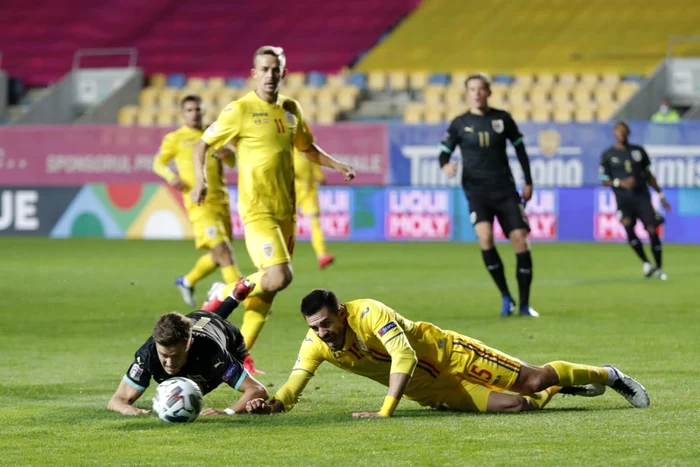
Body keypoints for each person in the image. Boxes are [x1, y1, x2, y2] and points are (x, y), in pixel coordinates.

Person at [190, 45, 355, 373]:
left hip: (286, 212)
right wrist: (199, 180)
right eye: (263, 69)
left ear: (283, 72)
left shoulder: (291, 109)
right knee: (279, 275)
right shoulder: (239, 110)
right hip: (257, 210)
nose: (269, 75)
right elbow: (202, 144)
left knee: (268, 289)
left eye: (275, 69)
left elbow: (306, 147)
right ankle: (224, 290)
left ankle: (238, 356)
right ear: (254, 74)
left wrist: (336, 164)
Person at [244, 289, 650, 418]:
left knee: (533, 379)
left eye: (326, 323)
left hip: (451, 355)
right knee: (517, 407)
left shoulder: (369, 313)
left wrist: (384, 411)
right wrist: (274, 405)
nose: (321, 333)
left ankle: (609, 375)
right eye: (314, 327)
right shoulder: (316, 345)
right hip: (432, 391)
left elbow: (402, 357)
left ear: (342, 313)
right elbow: (295, 384)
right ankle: (560, 389)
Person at [438, 73, 537, 317]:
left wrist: (529, 180)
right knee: (485, 239)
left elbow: (520, 149)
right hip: (476, 192)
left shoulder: (502, 119)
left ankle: (524, 304)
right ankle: (506, 297)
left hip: (505, 189)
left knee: (520, 241)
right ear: (467, 93)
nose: (477, 93)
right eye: (472, 89)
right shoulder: (459, 123)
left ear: (489, 92)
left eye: (481, 89)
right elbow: (443, 154)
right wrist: (446, 166)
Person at [107, 278, 267, 416]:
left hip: (229, 340)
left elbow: (258, 390)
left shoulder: (213, 354)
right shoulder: (148, 353)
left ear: (189, 344)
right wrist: (128, 409)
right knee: (207, 318)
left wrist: (229, 411)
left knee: (197, 386)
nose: (169, 363)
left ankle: (230, 298)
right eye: (164, 355)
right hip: (199, 320)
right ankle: (234, 297)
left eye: (175, 355)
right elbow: (117, 401)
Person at [152, 94, 242, 307]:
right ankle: (247, 299)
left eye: (198, 110)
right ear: (182, 114)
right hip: (198, 203)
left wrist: (226, 154)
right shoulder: (175, 138)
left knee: (218, 253)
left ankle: (187, 281)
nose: (195, 114)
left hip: (220, 200)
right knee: (225, 252)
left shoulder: (214, 133)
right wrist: (171, 177)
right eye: (190, 110)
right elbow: (158, 163)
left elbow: (232, 161)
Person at [599, 121, 671, 279]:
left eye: (624, 131)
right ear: (614, 133)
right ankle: (646, 262)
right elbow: (604, 180)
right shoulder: (608, 155)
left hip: (642, 196)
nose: (621, 134)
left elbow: (649, 175)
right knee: (627, 226)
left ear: (628, 133)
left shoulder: (638, 151)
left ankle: (659, 267)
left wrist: (661, 196)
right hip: (623, 199)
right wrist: (620, 183)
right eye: (618, 131)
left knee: (652, 229)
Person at [294, 148, 335, 269]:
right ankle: (321, 254)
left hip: (304, 193)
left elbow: (320, 177)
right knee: (313, 224)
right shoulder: (304, 151)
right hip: (293, 192)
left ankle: (322, 255)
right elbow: (321, 178)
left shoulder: (295, 151)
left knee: (313, 223)